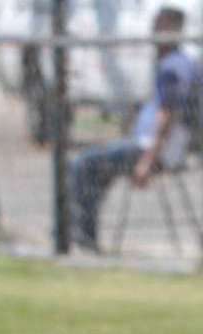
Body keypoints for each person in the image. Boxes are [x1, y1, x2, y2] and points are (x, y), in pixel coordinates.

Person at [69, 6, 203, 252]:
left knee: (83, 164)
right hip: (153, 148)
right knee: (97, 169)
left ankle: (82, 235)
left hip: (150, 150)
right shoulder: (176, 62)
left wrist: (147, 161)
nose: (154, 30)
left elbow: (168, 115)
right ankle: (85, 232)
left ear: (174, 29)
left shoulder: (173, 68)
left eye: (160, 25)